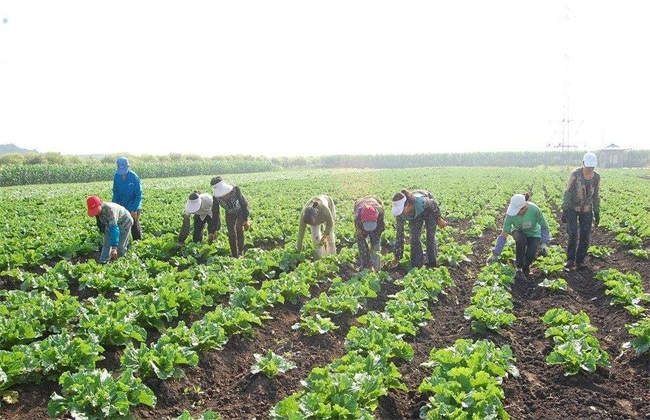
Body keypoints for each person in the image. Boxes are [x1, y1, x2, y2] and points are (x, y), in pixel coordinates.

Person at [486, 193, 551, 280]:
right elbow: (504, 234)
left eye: (517, 211)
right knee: (520, 240)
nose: (516, 214)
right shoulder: (510, 215)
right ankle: (519, 268)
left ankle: (526, 267)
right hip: (519, 232)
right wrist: (495, 253)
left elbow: (544, 226)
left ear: (524, 208)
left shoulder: (534, 210)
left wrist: (544, 243)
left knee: (531, 254)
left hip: (534, 233)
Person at [561, 152, 601, 270]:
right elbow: (567, 192)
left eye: (592, 167)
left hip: (587, 210)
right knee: (573, 233)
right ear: (583, 164)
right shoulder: (575, 174)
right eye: (588, 166)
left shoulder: (596, 177)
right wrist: (565, 210)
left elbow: (596, 196)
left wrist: (597, 212)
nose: (590, 169)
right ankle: (570, 259)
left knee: (585, 236)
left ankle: (580, 260)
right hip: (573, 208)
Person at [391, 189, 447, 269]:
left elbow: (432, 203)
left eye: (402, 209)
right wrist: (397, 256)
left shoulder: (420, 202)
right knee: (414, 237)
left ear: (408, 205)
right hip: (414, 217)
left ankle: (432, 262)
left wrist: (439, 219)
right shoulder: (400, 215)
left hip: (429, 210)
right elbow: (399, 235)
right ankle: (417, 264)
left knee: (430, 236)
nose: (401, 213)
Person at [210, 176, 250, 257]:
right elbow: (215, 213)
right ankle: (235, 255)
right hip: (229, 213)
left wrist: (245, 220)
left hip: (241, 210)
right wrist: (213, 230)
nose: (223, 196)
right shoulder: (216, 198)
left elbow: (243, 203)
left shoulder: (235, 189)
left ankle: (241, 251)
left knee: (239, 227)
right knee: (231, 233)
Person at [86, 195, 133, 263]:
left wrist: (114, 248)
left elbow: (114, 229)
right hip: (109, 225)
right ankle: (103, 262)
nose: (96, 213)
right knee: (106, 244)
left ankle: (120, 263)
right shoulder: (99, 212)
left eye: (96, 210)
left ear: (100, 204)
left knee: (120, 247)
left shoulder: (110, 211)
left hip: (125, 223)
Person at [112, 157, 143, 240]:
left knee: (134, 223)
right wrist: (114, 206)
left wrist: (134, 209)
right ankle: (124, 243)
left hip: (134, 204)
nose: (123, 174)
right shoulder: (116, 177)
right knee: (121, 224)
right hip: (122, 204)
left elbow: (138, 195)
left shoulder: (134, 177)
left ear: (128, 167)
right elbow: (115, 193)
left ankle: (138, 242)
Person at [353, 196, 385, 271]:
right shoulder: (358, 218)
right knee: (362, 247)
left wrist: (373, 244)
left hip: (377, 223)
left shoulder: (380, 213)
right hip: (360, 218)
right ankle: (366, 268)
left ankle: (377, 269)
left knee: (376, 248)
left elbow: (380, 230)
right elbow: (360, 237)